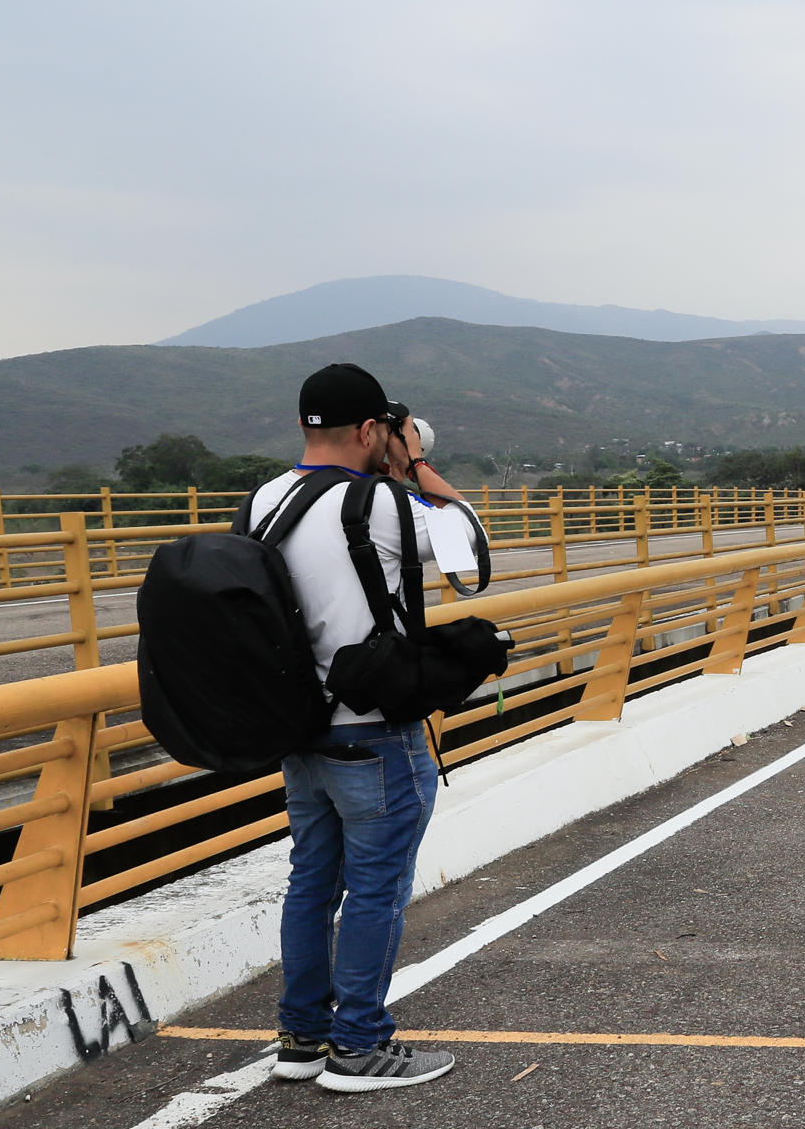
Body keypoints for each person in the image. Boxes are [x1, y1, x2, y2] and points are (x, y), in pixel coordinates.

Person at [255, 363, 482, 1093]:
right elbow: (469, 545)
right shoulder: (381, 503)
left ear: (303, 425)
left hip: (301, 730)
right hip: (376, 734)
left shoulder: (265, 499)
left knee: (311, 885)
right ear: (368, 430)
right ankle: (358, 1046)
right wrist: (412, 463)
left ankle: (301, 1038)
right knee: (376, 891)